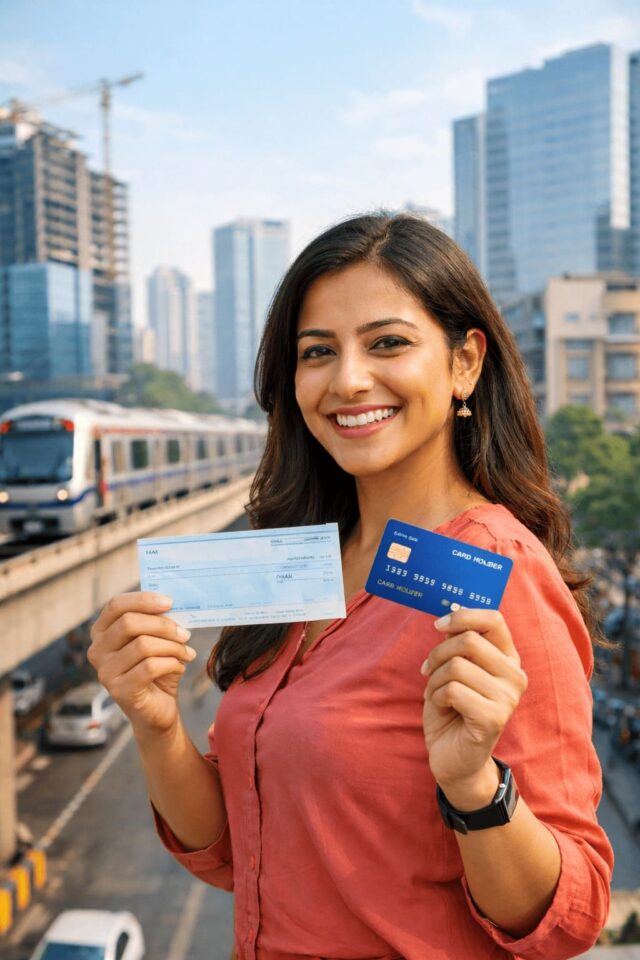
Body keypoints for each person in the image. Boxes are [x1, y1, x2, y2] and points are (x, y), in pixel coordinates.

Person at [88, 213, 613, 959]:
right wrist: (154, 722)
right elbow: (239, 850)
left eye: (388, 343)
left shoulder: (499, 572)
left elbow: (571, 914)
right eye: (318, 352)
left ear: (465, 363)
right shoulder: (304, 560)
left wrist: (474, 788)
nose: (349, 380)